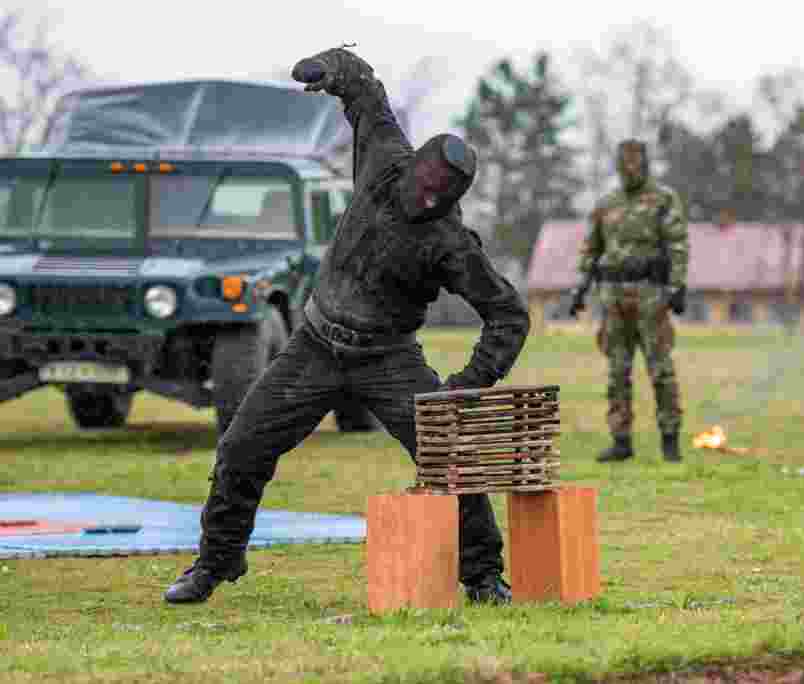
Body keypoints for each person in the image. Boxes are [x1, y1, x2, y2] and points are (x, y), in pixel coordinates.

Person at [163, 46, 530, 605]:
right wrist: (329, 68)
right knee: (241, 447)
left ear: (454, 199)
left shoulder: (450, 243)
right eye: (426, 183)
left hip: (389, 359)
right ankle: (217, 561)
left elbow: (508, 314)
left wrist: (469, 383)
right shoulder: (384, 158)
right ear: (412, 165)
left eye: (442, 195)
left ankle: (482, 576)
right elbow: (365, 91)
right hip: (313, 344)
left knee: (449, 455)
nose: (428, 197)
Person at [570, 139, 688, 463]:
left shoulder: (663, 200)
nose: (631, 170)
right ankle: (620, 439)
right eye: (625, 165)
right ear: (618, 167)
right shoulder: (606, 204)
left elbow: (678, 244)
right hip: (613, 299)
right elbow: (590, 249)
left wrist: (677, 286)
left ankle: (670, 439)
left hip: (651, 297)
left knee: (660, 369)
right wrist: (579, 288)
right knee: (617, 371)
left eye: (636, 164)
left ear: (646, 165)